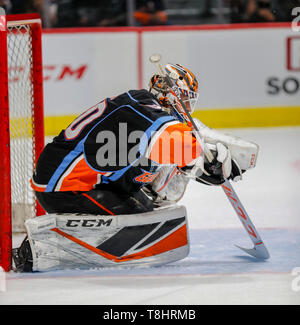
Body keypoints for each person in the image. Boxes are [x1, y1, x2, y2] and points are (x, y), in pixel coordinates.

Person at [13, 61, 255, 271]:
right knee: (139, 222)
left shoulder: (144, 106)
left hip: (88, 180)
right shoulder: (142, 109)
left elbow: (193, 135)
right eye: (183, 100)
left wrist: (226, 153)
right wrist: (205, 163)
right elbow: (180, 142)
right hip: (65, 185)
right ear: (168, 95)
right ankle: (38, 250)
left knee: (150, 204)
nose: (187, 108)